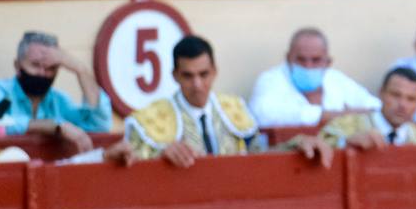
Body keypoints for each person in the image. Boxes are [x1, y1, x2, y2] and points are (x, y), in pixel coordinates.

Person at [106, 34, 330, 168]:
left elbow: (258, 158)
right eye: (188, 76)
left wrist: (295, 144)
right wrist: (158, 159)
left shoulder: (235, 110)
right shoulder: (149, 122)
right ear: (175, 75)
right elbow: (132, 167)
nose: (197, 85)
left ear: (214, 72)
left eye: (203, 74)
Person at [0, 31, 112, 157]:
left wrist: (81, 70)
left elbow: (99, 125)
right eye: (35, 65)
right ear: (17, 66)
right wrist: (53, 126)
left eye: (50, 68)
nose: (42, 73)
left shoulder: (59, 101)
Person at [249, 28, 380, 127]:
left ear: (328, 62)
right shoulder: (271, 80)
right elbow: (262, 114)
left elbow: (375, 107)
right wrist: (336, 115)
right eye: (301, 59)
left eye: (316, 60)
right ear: (288, 59)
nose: (308, 66)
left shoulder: (336, 79)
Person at [319, 66, 416, 148]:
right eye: (395, 95)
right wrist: (345, 143)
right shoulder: (345, 126)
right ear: (381, 93)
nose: (402, 104)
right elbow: (321, 145)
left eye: (411, 99)